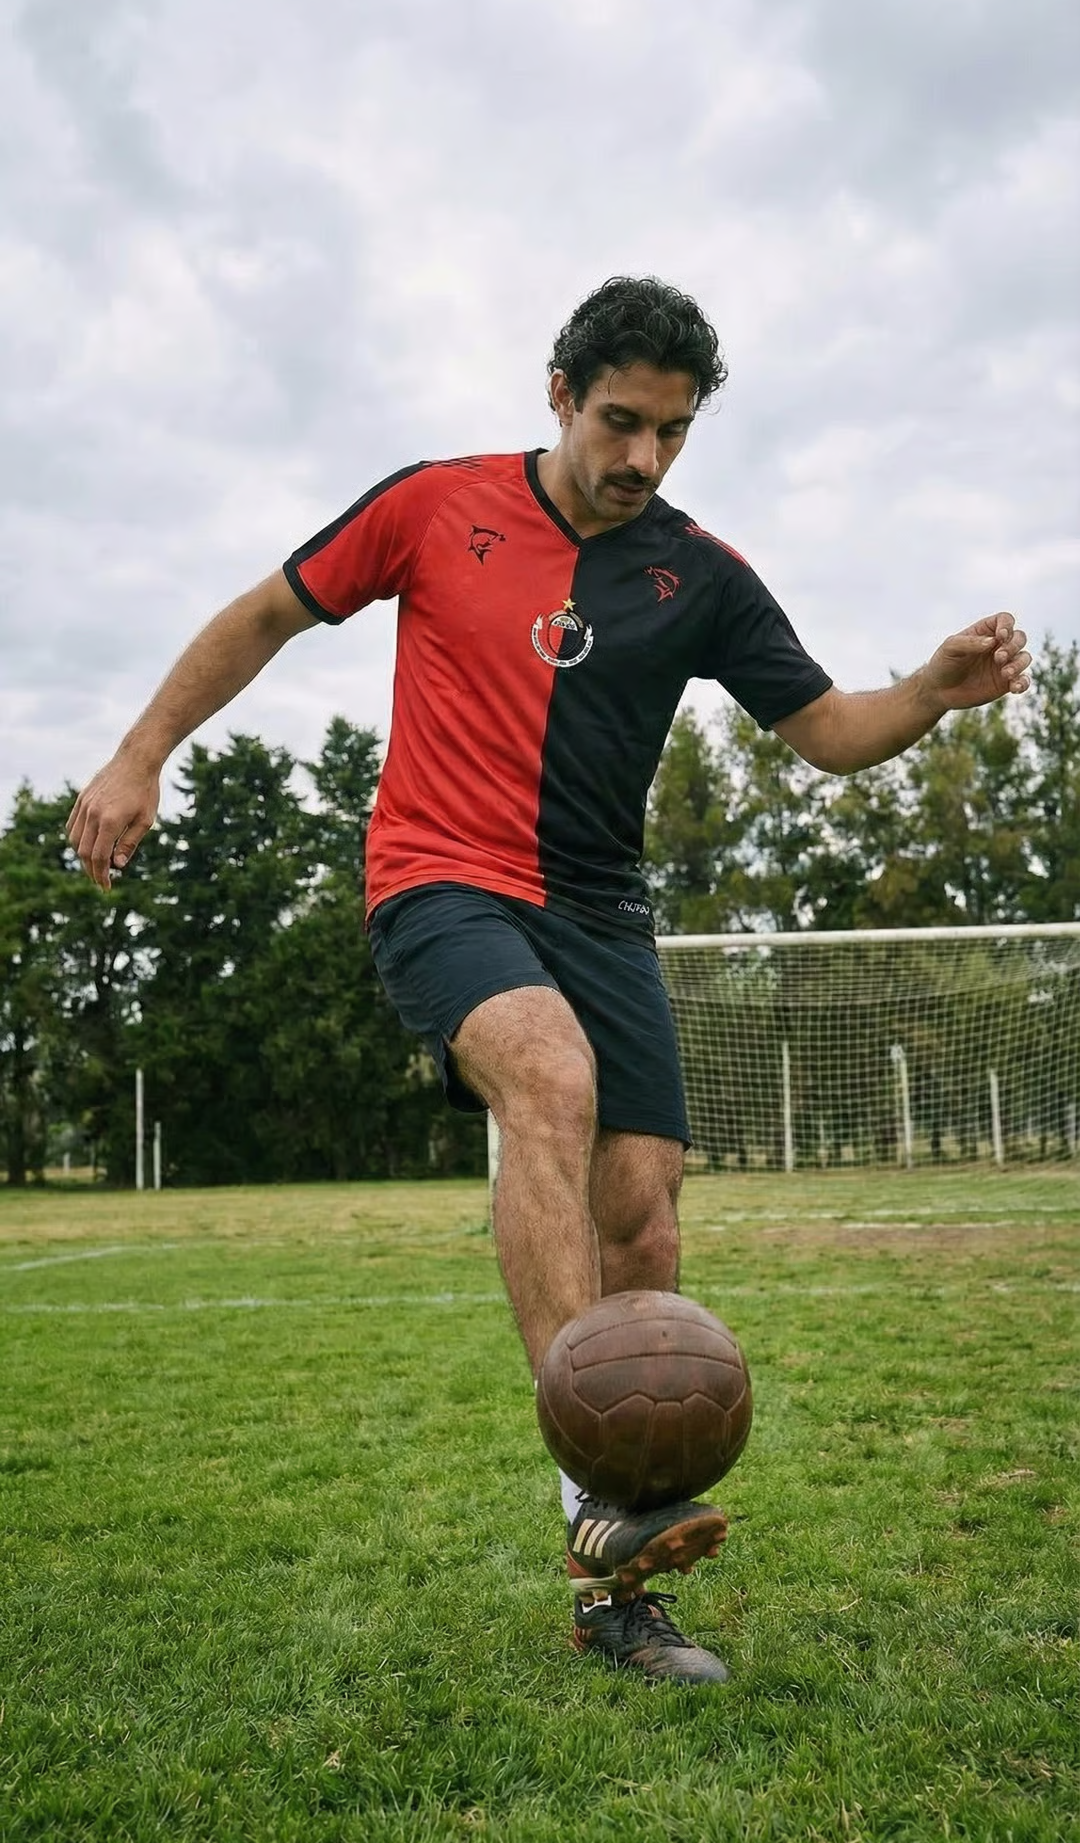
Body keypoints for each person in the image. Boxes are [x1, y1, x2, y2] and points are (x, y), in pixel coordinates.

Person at [67, 275, 1032, 1686]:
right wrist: (141, 753)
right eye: (621, 422)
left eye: (673, 433)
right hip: (439, 880)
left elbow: (826, 729)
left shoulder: (697, 574)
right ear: (559, 395)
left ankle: (616, 1597)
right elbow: (263, 617)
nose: (642, 458)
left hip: (598, 909)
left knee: (642, 1214)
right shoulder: (431, 505)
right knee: (549, 1077)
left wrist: (934, 689)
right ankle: (598, 1498)